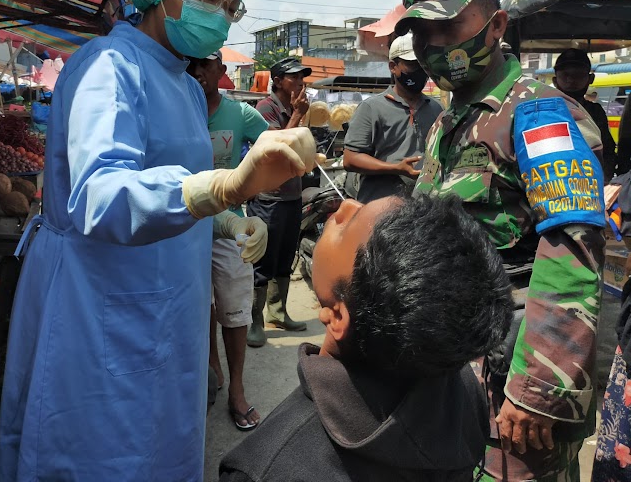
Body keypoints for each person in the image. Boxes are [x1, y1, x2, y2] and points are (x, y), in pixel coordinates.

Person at [0, 0, 317, 482]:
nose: (216, 13)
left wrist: (223, 221)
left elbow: (180, 183)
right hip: (98, 301)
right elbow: (99, 195)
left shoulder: (188, 86)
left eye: (230, 6)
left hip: (169, 303)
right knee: (98, 453)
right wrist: (225, 188)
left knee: (163, 444)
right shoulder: (108, 65)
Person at [395, 0, 606, 481]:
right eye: (422, 32)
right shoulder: (447, 124)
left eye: (449, 27)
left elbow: (572, 256)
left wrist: (536, 390)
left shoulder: (538, 115)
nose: (433, 45)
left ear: (496, 26)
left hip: (512, 384)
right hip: (451, 369)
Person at [219, 193, 514, 481]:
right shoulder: (464, 388)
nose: (346, 204)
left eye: (347, 225)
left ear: (337, 317)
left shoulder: (263, 467)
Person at [187, 50, 269, 431]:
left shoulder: (239, 114)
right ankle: (212, 369)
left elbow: (272, 151)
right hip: (182, 223)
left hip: (231, 225)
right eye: (194, 64)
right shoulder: (178, 109)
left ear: (221, 70)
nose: (200, 72)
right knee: (199, 304)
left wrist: (245, 187)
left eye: (208, 64)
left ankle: (236, 389)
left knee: (234, 310)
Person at [246, 57, 312, 348]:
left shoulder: (293, 107)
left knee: (285, 256)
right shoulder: (266, 108)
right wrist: (298, 114)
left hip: (291, 195)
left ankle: (278, 311)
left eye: (302, 76)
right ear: (277, 81)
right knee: (263, 259)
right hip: (269, 198)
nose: (300, 81)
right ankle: (255, 321)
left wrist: (299, 113)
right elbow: (278, 149)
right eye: (294, 76)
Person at [343, 34, 441, 203]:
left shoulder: (436, 108)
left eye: (422, 65)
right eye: (412, 65)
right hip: (380, 207)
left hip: (423, 208)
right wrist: (396, 168)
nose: (419, 71)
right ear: (393, 67)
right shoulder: (371, 108)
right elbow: (351, 159)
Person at [553, 48, 617, 182]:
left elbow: (608, 151)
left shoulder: (596, 111)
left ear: (591, 79)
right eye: (565, 75)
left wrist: (603, 181)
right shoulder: (546, 111)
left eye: (578, 75)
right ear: (555, 80)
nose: (571, 80)